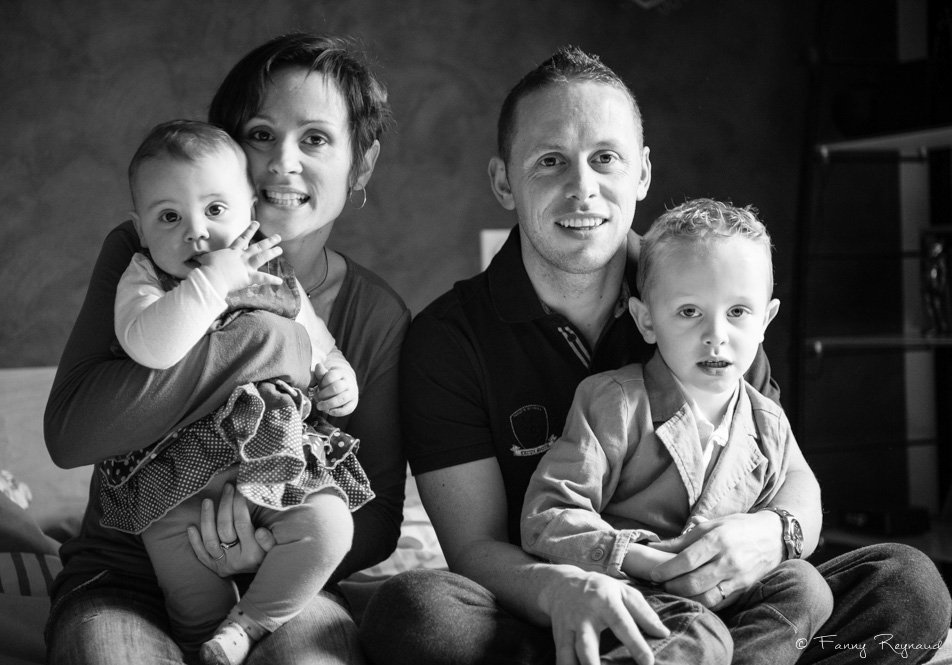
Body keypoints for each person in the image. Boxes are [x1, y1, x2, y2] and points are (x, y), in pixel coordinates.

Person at [359, 45, 951, 665]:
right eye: (550, 161)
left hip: (730, 599)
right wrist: (568, 590)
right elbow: (476, 547)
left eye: (605, 159)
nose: (581, 187)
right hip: (554, 600)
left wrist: (772, 534)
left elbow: (784, 466)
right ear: (505, 181)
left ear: (641, 173)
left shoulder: (705, 292)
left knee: (907, 586)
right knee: (419, 614)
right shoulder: (447, 340)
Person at [44, 32, 409, 665]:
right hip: (124, 570)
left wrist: (259, 547)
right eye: (261, 133)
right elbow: (72, 434)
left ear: (363, 165)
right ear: (224, 148)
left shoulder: (372, 313)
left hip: (280, 577)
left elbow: (374, 520)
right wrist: (268, 341)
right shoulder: (143, 255)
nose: (282, 163)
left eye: (316, 139)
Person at [102, 119, 373, 664]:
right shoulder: (144, 280)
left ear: (250, 210)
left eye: (216, 211)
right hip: (172, 477)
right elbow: (152, 347)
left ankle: (247, 624)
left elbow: (316, 341)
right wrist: (212, 283)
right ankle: (202, 640)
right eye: (169, 217)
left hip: (271, 460)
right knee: (188, 579)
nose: (196, 233)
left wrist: (339, 377)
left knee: (329, 526)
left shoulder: (274, 277)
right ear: (141, 228)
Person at [520, 198, 832, 664]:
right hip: (636, 590)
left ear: (766, 321)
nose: (717, 335)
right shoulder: (613, 401)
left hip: (732, 598)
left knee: (810, 590)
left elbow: (787, 519)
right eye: (689, 312)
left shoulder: (768, 421)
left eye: (739, 312)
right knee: (694, 633)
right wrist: (639, 558)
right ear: (647, 320)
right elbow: (548, 514)